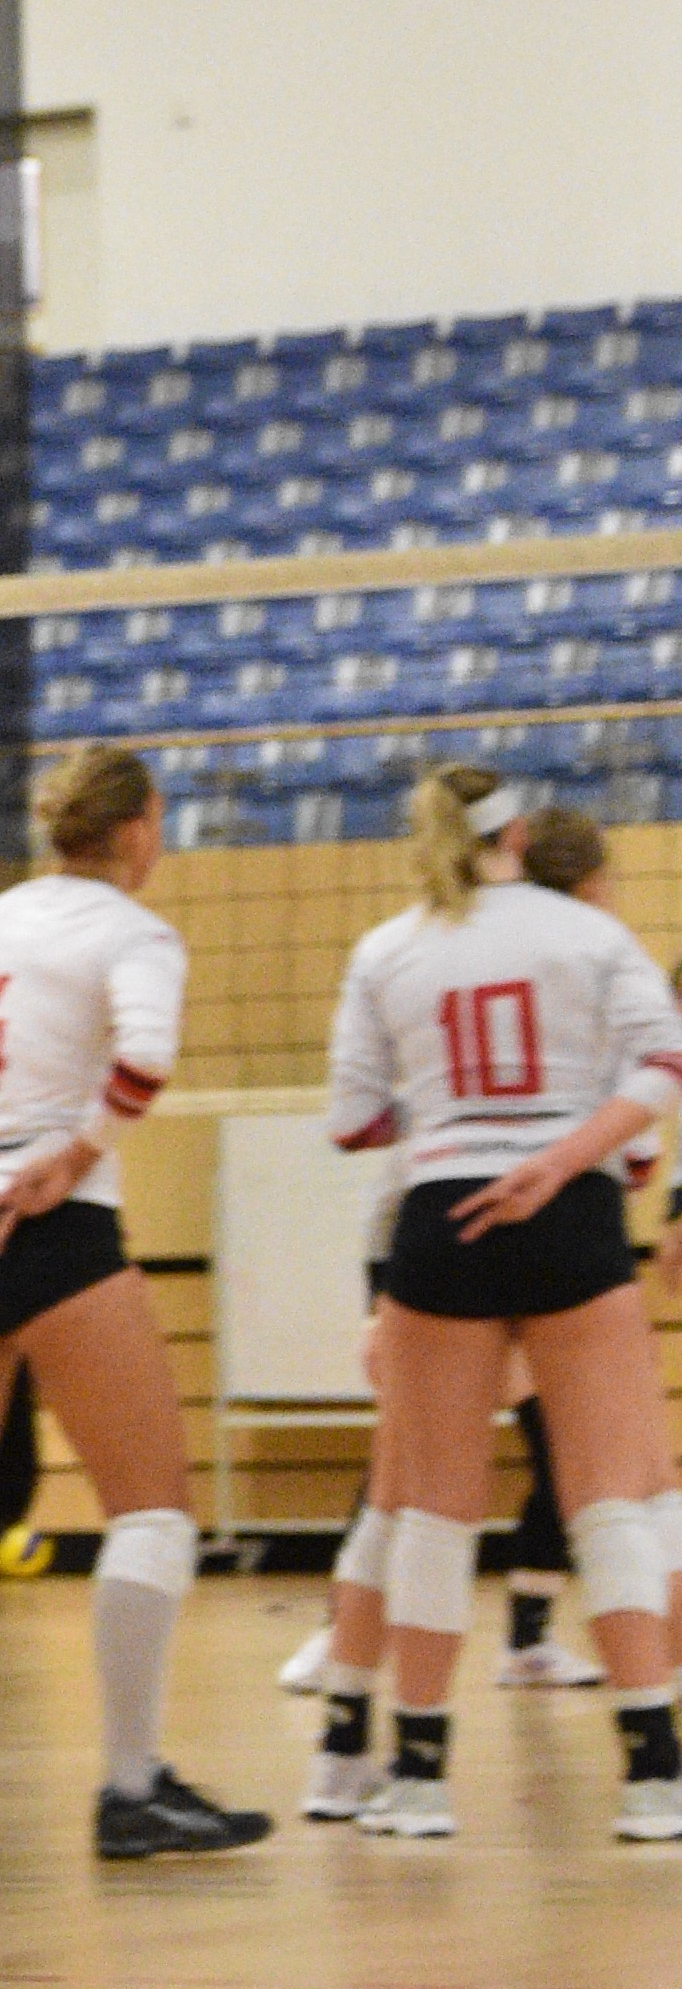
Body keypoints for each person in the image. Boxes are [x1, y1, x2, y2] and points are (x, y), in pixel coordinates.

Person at [0, 743, 272, 1861]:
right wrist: (68, 1152)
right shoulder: (133, 932)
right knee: (151, 1511)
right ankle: (131, 1785)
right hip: (48, 1214)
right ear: (137, 825)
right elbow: (143, 1058)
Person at [324, 767, 682, 1840]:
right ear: (519, 834)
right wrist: (556, 1152)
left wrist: (449, 1126)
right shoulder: (586, 935)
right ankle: (653, 1773)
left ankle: (419, 1777)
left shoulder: (389, 946)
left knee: (432, 1510)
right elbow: (663, 1064)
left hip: (441, 1218)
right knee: (611, 1500)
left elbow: (351, 1122)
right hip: (568, 1209)